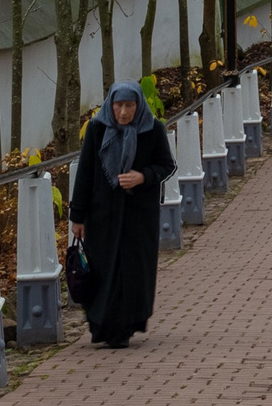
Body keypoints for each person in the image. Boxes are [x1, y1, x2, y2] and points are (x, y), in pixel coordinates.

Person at [67, 79, 175, 348]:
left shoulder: (153, 129)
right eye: (118, 105)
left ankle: (125, 326)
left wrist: (143, 177)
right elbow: (86, 173)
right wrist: (77, 216)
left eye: (129, 105)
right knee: (102, 271)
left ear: (138, 106)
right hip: (101, 216)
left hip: (139, 217)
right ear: (110, 105)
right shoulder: (97, 129)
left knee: (133, 272)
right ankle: (101, 325)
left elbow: (166, 165)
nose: (124, 112)